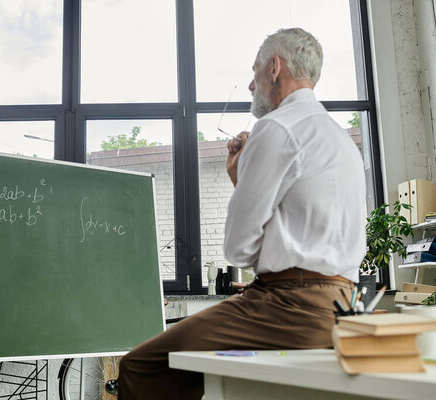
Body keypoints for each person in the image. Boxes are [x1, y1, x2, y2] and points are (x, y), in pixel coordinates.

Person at [117, 27, 366, 400]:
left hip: (288, 307)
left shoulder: (276, 127)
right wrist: (241, 179)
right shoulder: (340, 138)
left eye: (254, 72)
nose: (251, 86)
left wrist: (245, 174)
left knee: (140, 366)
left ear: (274, 69)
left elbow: (237, 250)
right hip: (343, 308)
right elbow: (295, 226)